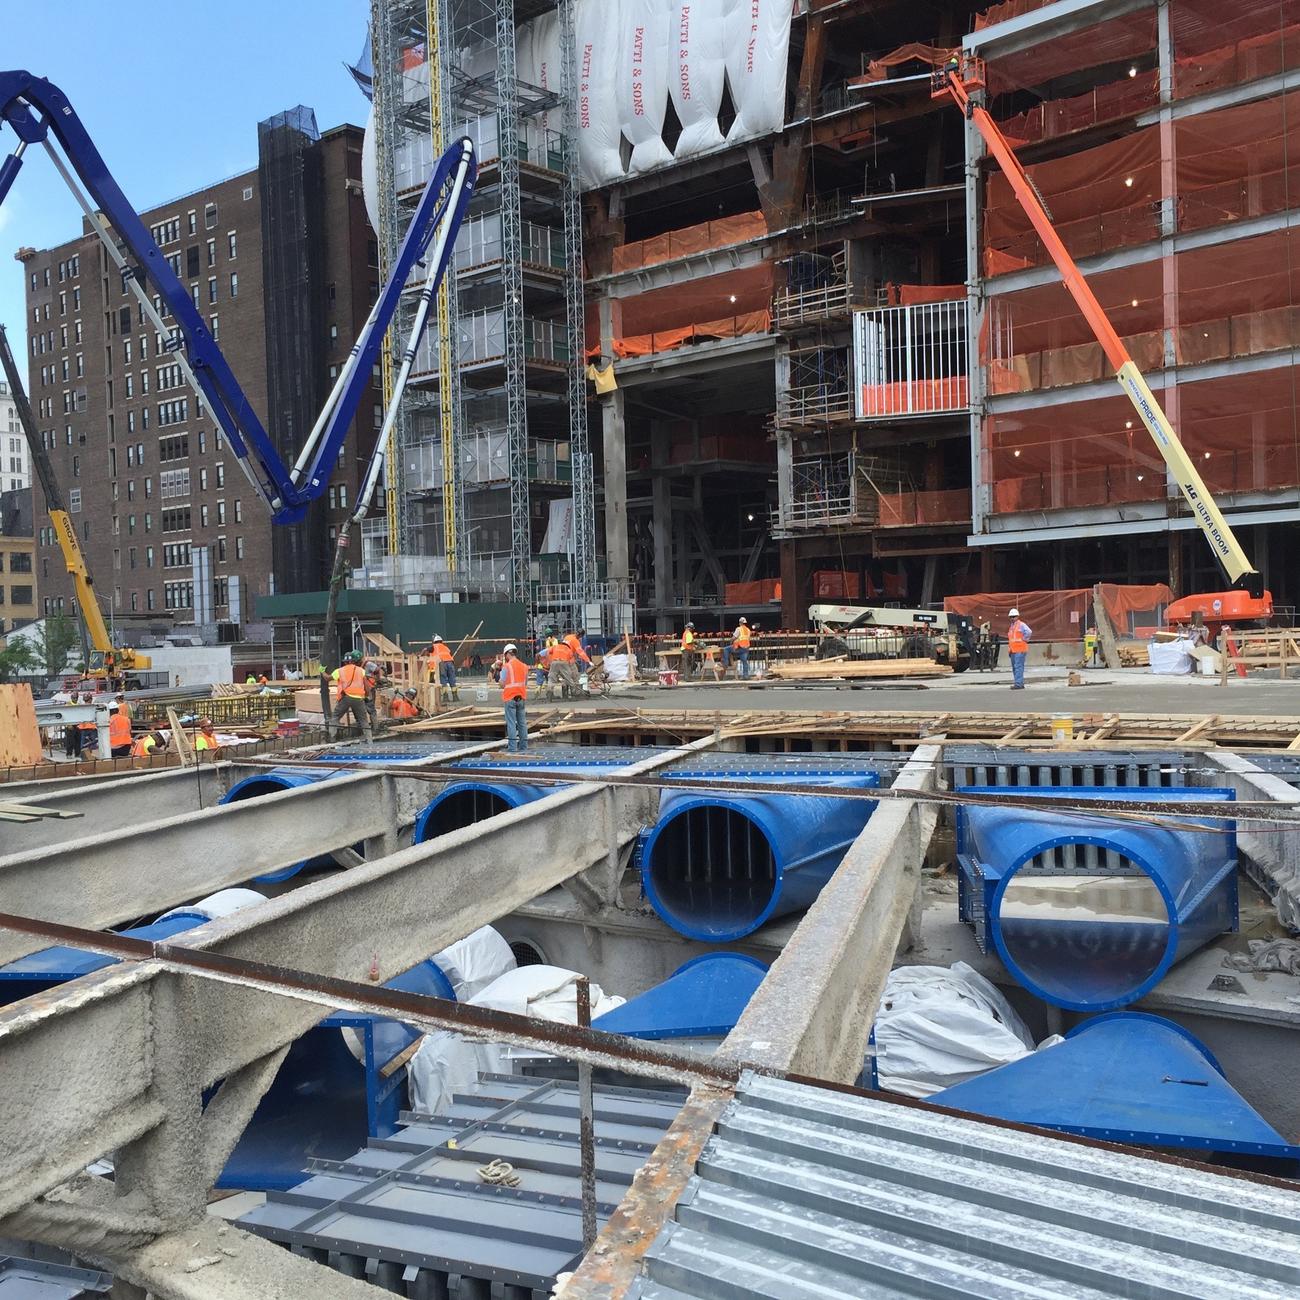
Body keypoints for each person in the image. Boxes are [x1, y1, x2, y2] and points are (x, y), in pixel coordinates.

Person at [331, 650, 373, 740]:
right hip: (358, 699)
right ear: (353, 661)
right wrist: (366, 696)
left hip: (345, 698)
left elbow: (327, 678)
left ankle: (332, 739)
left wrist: (322, 671)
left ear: (345, 662)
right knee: (364, 721)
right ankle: (369, 740)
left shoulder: (339, 671)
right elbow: (367, 687)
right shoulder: (361, 670)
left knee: (335, 717)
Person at [501, 642, 529, 754]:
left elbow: (502, 683)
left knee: (511, 723)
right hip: (521, 697)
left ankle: (512, 748)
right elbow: (525, 683)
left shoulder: (506, 666)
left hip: (510, 698)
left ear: (507, 654)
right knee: (522, 723)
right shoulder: (524, 666)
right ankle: (523, 747)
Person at [546, 634, 580, 701]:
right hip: (564, 663)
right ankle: (574, 694)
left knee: (551, 678)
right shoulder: (568, 649)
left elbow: (548, 652)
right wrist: (571, 670)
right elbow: (571, 660)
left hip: (554, 662)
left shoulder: (555, 646)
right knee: (568, 678)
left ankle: (549, 693)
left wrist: (549, 662)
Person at [1007, 608, 1032, 689]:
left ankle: (1018, 684)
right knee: (1015, 667)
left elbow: (1029, 632)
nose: (1012, 618)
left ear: (1017, 616)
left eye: (1014, 616)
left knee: (1018, 667)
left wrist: (1024, 639)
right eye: (1011, 617)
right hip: (1013, 650)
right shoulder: (1011, 627)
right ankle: (1018, 683)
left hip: (1020, 650)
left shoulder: (1021, 624)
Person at [428, 635, 460, 700]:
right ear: (441, 641)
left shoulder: (433, 647)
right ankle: (455, 696)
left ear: (434, 641)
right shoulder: (445, 647)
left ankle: (445, 697)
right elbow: (449, 652)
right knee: (452, 679)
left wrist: (420, 655)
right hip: (450, 662)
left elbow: (425, 649)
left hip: (442, 663)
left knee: (443, 679)